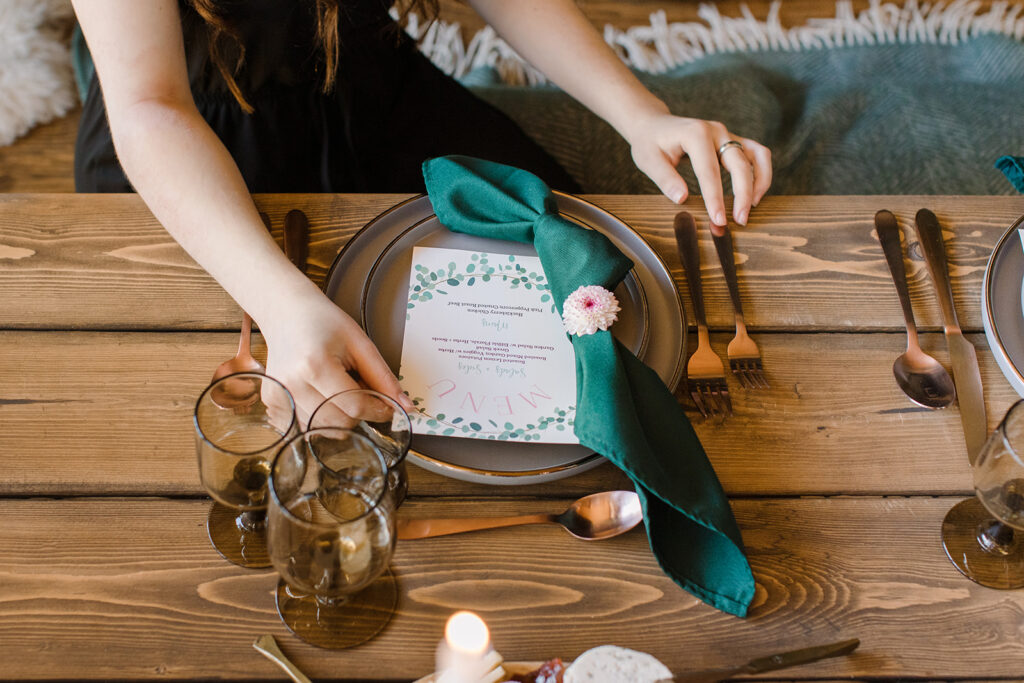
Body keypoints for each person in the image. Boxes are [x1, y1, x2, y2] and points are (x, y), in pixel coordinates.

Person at [72, 0, 772, 421]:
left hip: (364, 83)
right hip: (190, 133)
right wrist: (285, 307)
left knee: (565, 243)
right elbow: (148, 106)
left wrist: (642, 115)